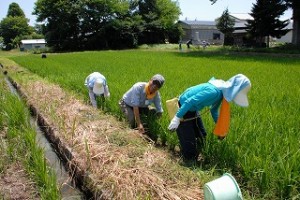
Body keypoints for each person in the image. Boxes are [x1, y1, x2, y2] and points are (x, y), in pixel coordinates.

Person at [168, 74, 251, 161]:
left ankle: (196, 155)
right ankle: (189, 160)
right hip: (184, 108)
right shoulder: (214, 92)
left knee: (202, 135)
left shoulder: (221, 93)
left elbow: (214, 110)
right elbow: (190, 101)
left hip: (193, 109)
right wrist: (177, 118)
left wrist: (220, 129)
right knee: (189, 141)